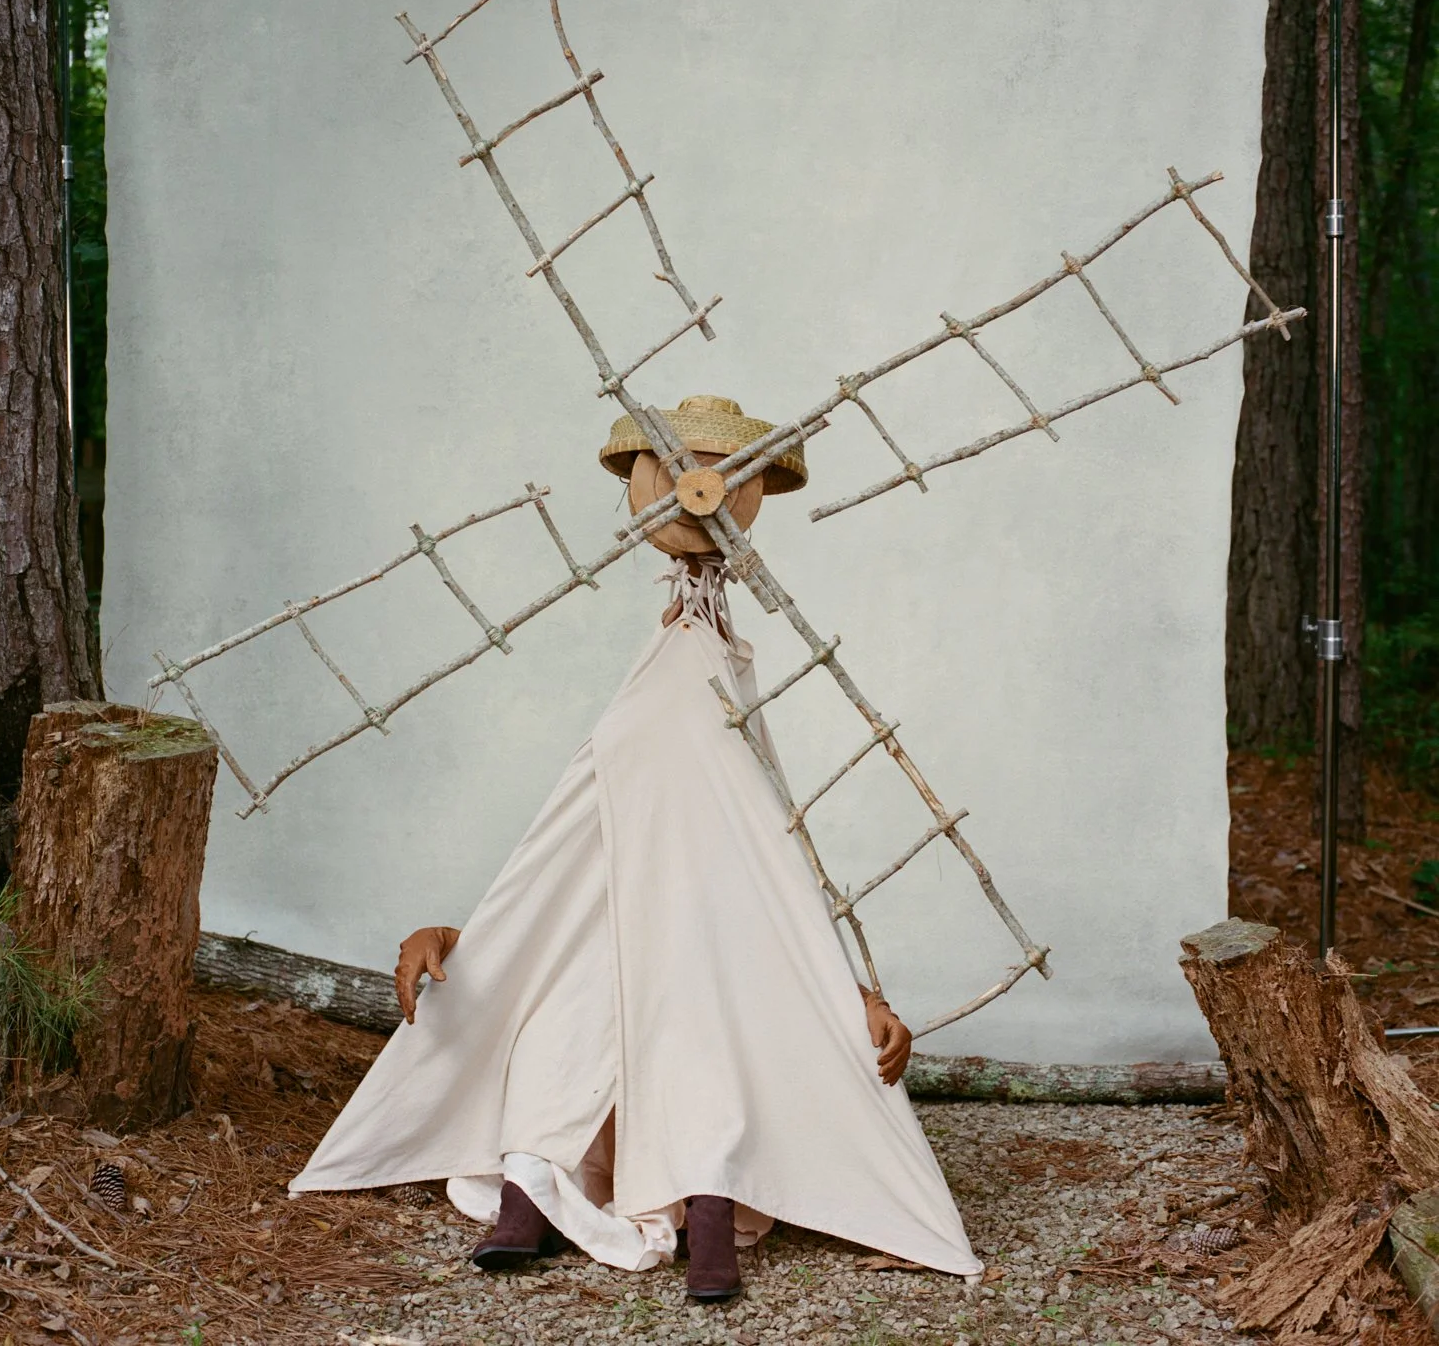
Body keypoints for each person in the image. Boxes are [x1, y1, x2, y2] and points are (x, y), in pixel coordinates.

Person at [288, 396, 982, 1301]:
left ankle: (707, 1213)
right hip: (607, 969)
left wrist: (856, 997)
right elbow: (548, 883)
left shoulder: (712, 712)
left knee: (700, 1034)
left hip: (704, 970)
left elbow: (773, 884)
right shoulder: (629, 761)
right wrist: (456, 937)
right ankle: (530, 1195)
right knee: (566, 1019)